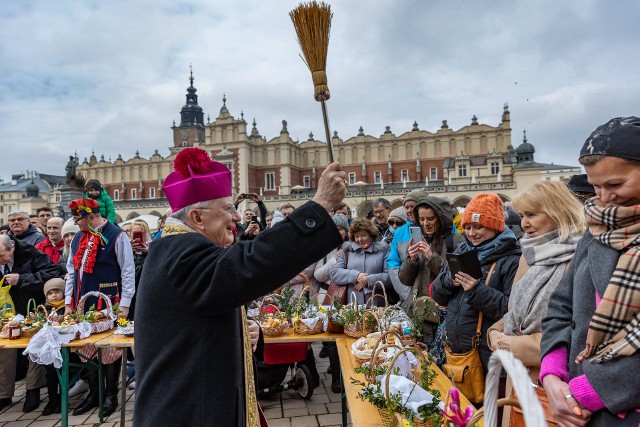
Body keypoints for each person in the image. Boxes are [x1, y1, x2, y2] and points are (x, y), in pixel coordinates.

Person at [134, 147, 346, 427]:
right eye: (228, 208)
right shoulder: (182, 254)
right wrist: (320, 205)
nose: (236, 217)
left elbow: (203, 311)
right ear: (197, 218)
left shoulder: (175, 248)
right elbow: (252, 264)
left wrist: (240, 331)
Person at [540, 117, 640, 426]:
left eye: (615, 184)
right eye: (595, 186)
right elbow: (562, 305)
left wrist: (587, 390)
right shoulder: (597, 229)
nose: (604, 198)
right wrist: (553, 372)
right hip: (581, 409)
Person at [486, 181, 586, 426]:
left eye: (532, 214)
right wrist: (495, 332)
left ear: (558, 211)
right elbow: (514, 312)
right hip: (519, 378)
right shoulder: (530, 255)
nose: (524, 224)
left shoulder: (580, 257)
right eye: (521, 216)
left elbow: (579, 332)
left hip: (554, 383)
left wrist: (515, 344)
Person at [431, 193, 521, 403]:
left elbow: (510, 310)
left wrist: (475, 290)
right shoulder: (462, 251)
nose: (472, 233)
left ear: (495, 226)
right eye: (468, 227)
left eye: (478, 227)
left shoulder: (511, 260)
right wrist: (447, 282)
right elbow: (437, 294)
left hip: (488, 357)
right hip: (458, 354)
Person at [64, 197, 135, 417]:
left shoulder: (117, 235)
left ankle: (111, 394)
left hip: (109, 303)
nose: (76, 224)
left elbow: (128, 271)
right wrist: (68, 302)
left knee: (110, 349)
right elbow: (71, 272)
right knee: (87, 349)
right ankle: (94, 393)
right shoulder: (77, 238)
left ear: (91, 216)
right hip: (82, 305)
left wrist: (124, 305)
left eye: (78, 219)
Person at [399, 196, 465, 365]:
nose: (426, 224)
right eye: (421, 219)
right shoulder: (416, 240)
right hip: (418, 312)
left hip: (445, 314)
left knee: (440, 363)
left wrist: (431, 256)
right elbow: (405, 279)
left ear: (441, 218)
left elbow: (457, 276)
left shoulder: (456, 241)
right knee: (418, 362)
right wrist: (411, 259)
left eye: (430, 219)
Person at [0, 235, 62, 412]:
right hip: (6, 313)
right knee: (4, 351)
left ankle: (32, 391)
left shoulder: (31, 254)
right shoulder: (4, 252)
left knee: (34, 350)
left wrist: (22, 279)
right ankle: (4, 394)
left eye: (0, 256)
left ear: (11, 248)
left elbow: (53, 273)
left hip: (32, 310)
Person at [314, 213, 350, 394]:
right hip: (328, 295)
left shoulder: (352, 247)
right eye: (334, 228)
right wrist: (335, 260)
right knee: (330, 340)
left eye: (341, 228)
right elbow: (318, 275)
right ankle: (336, 378)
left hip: (348, 296)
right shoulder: (323, 248)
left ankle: (347, 374)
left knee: (345, 337)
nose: (338, 232)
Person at [331, 218, 391, 305]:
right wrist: (356, 275)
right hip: (352, 303)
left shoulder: (383, 250)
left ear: (371, 234)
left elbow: (390, 276)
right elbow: (335, 273)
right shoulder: (346, 251)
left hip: (376, 303)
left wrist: (368, 280)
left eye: (363, 235)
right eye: (356, 236)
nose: (360, 239)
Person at [386, 188, 429, 306]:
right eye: (406, 207)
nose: (409, 210)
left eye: (413, 206)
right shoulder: (400, 233)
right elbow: (393, 263)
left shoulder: (434, 228)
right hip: (408, 294)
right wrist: (408, 294)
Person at [41, 278, 67, 416]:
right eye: (50, 293)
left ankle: (63, 399)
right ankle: (52, 399)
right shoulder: (43, 309)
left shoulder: (66, 309)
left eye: (57, 291)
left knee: (63, 372)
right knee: (50, 374)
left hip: (65, 348)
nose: (53, 295)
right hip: (49, 348)